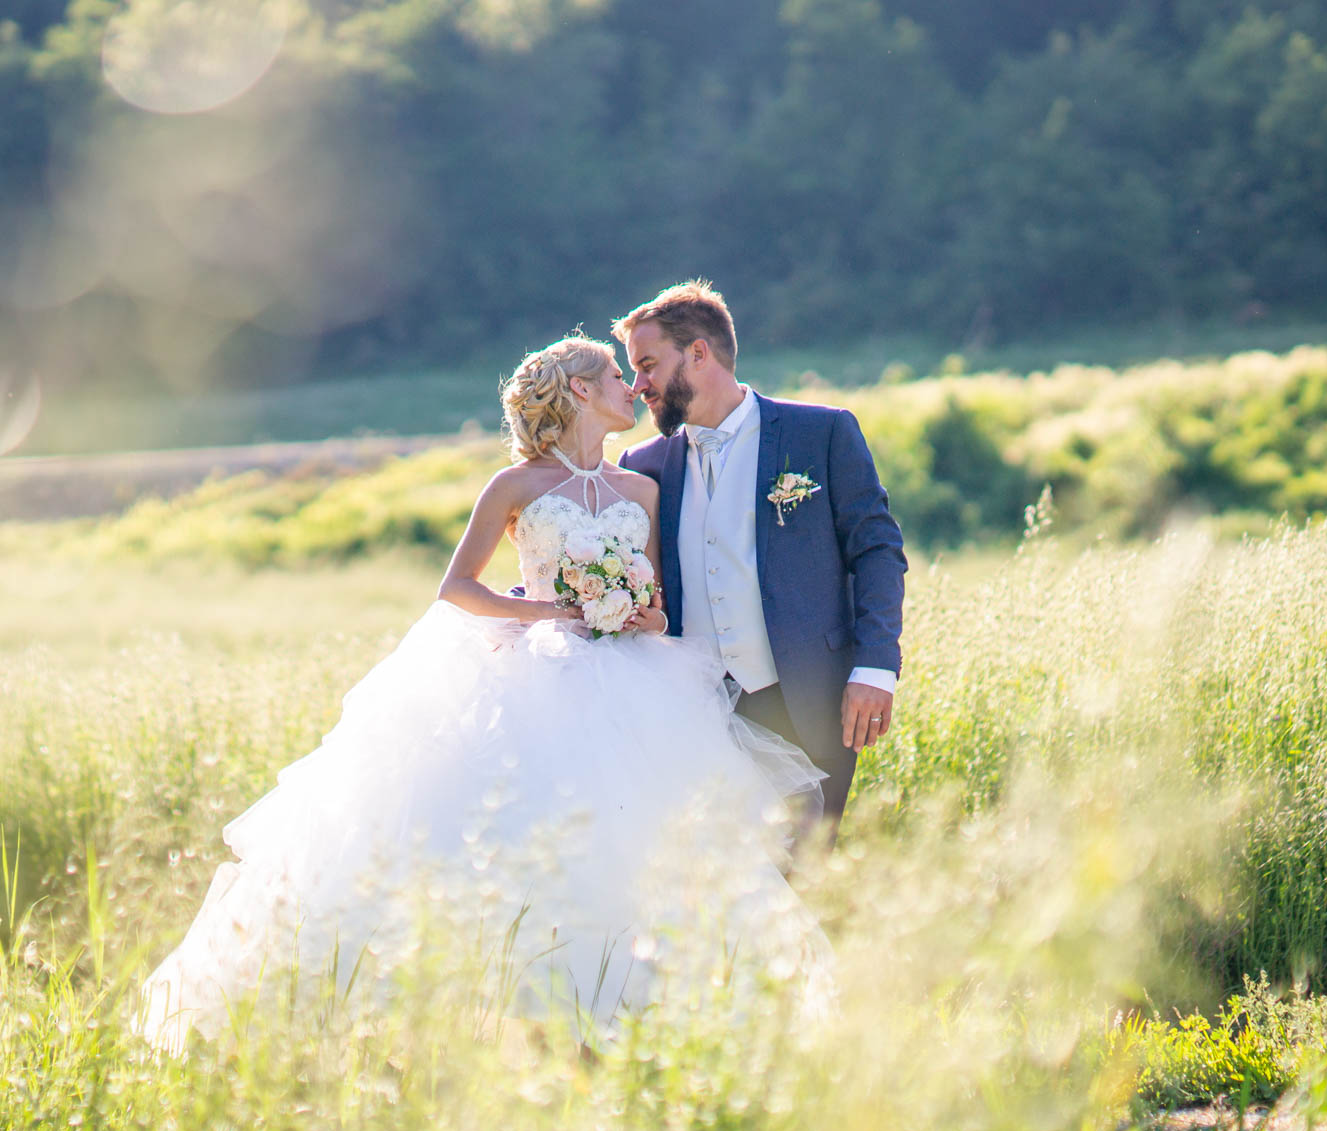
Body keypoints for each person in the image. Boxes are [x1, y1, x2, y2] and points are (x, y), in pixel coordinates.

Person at [136, 335, 830, 1055]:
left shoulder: (641, 490)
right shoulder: (516, 486)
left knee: (641, 841)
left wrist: (633, 612)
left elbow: (655, 603)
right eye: (616, 377)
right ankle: (484, 1018)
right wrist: (545, 610)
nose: (632, 389)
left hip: (637, 679)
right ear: (581, 393)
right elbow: (457, 588)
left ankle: (634, 1021)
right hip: (543, 673)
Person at [616, 281, 907, 847]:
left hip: (809, 700)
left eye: (648, 364)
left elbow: (877, 552)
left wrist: (875, 667)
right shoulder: (641, 465)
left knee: (807, 875)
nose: (638, 385)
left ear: (698, 353)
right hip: (692, 713)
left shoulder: (820, 432)